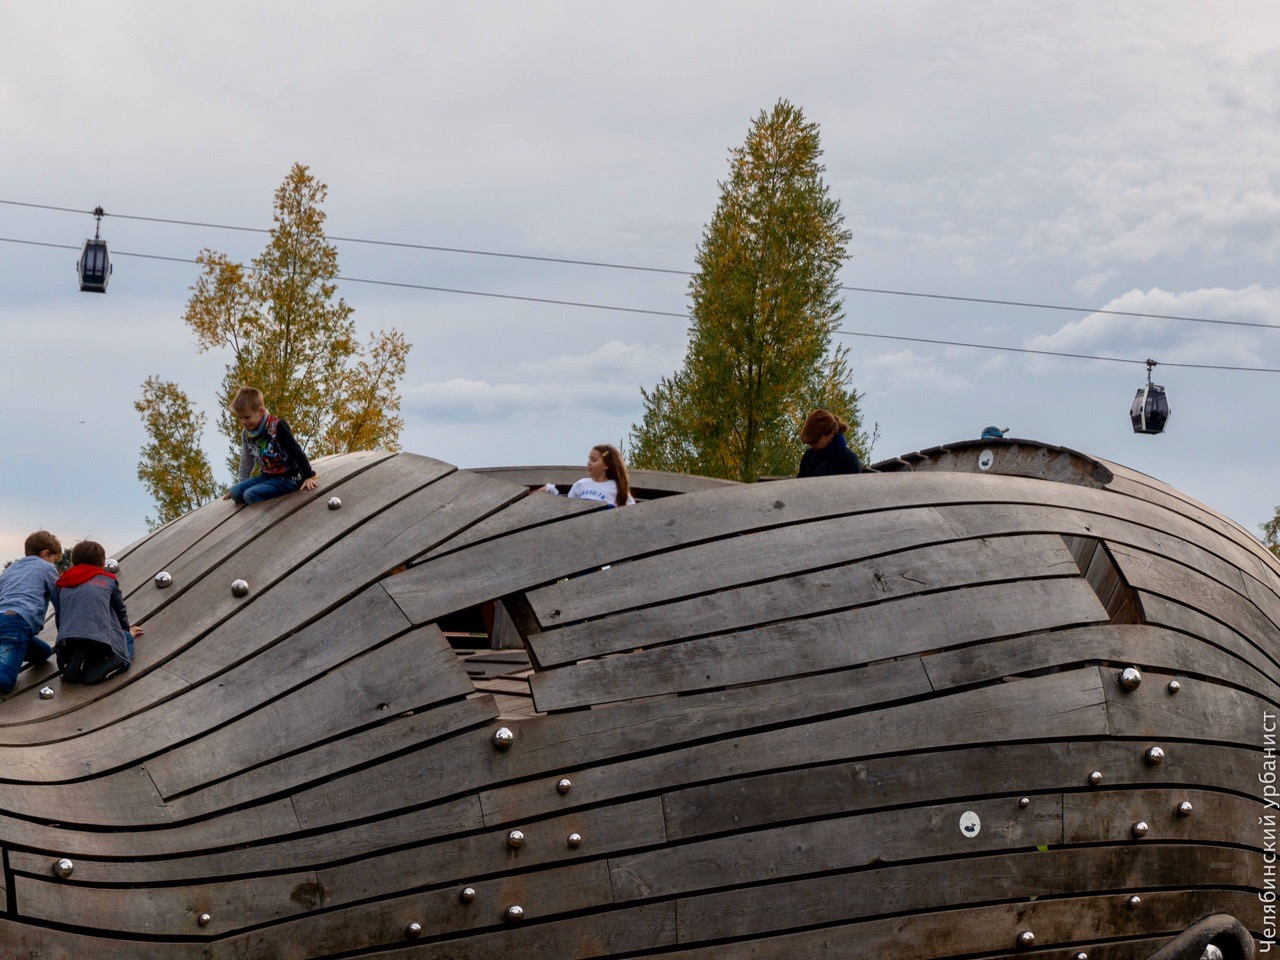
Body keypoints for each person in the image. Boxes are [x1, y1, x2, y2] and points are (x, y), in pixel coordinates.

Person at [53, 540, 143, 685]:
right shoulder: (108, 580)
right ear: (102, 563)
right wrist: (125, 631)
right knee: (125, 641)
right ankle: (116, 662)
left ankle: (73, 664)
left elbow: (59, 616)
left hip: (67, 641)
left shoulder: (62, 583)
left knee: (85, 644)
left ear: (74, 562)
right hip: (98, 639)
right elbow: (120, 609)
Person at [222, 386, 318, 505]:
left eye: (247, 417)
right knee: (236, 492)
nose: (243, 422)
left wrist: (309, 476)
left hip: (288, 478)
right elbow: (246, 461)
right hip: (267, 476)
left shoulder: (278, 426)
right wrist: (241, 485)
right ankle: (251, 491)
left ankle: (269, 513)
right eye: (240, 418)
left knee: (250, 495)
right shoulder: (247, 434)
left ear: (261, 411)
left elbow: (296, 450)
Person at [0, 531, 62, 695]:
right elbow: (59, 601)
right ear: (45, 553)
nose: (54, 564)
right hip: (17, 622)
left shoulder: (11, 569)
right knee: (4, 681)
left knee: (43, 653)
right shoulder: (46, 567)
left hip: (5, 618)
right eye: (55, 560)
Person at [544, 444, 635, 507]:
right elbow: (568, 506)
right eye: (589, 459)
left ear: (607, 465)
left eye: (594, 460)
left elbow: (631, 511)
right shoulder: (581, 484)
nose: (589, 463)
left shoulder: (616, 488)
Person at [797, 409, 863, 478]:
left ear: (831, 433)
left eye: (815, 440)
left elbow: (854, 487)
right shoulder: (808, 456)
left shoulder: (848, 460)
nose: (812, 444)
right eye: (810, 442)